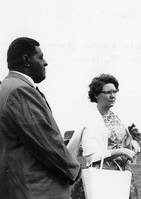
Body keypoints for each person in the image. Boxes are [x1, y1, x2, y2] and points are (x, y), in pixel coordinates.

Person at [0, 37, 81, 199]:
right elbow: (47, 142)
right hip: (38, 191)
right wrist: (75, 170)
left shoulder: (6, 88)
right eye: (40, 57)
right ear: (26, 60)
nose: (45, 63)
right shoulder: (21, 91)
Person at [68, 73, 141, 199]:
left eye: (114, 92)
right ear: (96, 95)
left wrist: (132, 143)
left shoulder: (115, 116)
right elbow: (93, 156)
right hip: (101, 178)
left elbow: (122, 138)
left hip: (122, 177)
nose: (113, 96)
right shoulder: (91, 121)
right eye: (108, 92)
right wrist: (122, 151)